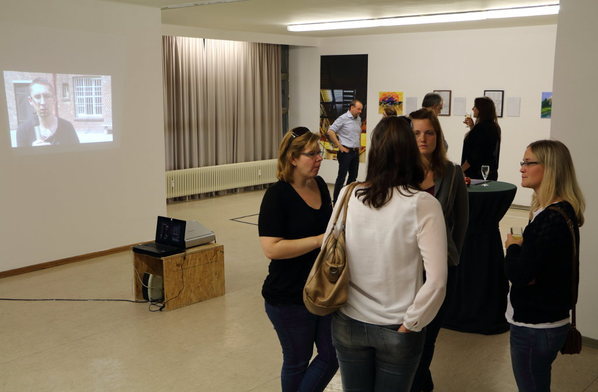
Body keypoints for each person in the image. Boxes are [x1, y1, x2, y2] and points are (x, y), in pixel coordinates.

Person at [330, 116, 448, 392]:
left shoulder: (349, 194)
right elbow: (438, 280)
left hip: (349, 321)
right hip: (397, 327)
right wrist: (412, 323)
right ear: (410, 152)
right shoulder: (423, 204)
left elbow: (329, 249)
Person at [258, 126, 338, 392]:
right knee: (297, 361)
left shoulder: (320, 187)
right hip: (288, 296)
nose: (319, 158)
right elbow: (272, 248)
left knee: (331, 355)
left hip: (321, 291)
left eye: (320, 152)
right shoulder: (277, 196)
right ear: (292, 158)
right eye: (312, 154)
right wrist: (318, 240)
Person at [504, 140, 585, 392]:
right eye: (522, 162)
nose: (522, 168)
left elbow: (520, 275)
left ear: (550, 168)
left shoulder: (549, 219)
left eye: (528, 163)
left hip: (534, 328)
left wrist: (512, 247)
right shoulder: (564, 211)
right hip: (551, 322)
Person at [409, 108, 469, 392]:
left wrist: (449, 253)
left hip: (440, 267)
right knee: (408, 333)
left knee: (429, 335)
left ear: (437, 136)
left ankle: (420, 381)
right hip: (406, 268)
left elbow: (461, 221)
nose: (423, 139)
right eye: (416, 133)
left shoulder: (453, 172)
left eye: (429, 132)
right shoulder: (399, 172)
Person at [16, 78, 79, 147]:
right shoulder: (22, 131)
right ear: (30, 100)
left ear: (54, 99)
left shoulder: (67, 127)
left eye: (47, 96)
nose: (43, 102)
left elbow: (78, 156)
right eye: (37, 97)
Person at [327, 99, 363, 203]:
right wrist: (339, 146)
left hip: (355, 152)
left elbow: (357, 134)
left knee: (353, 177)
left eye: (361, 109)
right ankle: (337, 201)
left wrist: (359, 145)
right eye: (358, 109)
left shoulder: (358, 119)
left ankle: (347, 198)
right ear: (352, 108)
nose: (360, 111)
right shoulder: (343, 118)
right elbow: (330, 131)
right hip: (345, 153)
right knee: (341, 177)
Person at [461, 96, 501, 180]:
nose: (473, 109)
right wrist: (472, 127)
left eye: (475, 106)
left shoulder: (481, 128)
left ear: (481, 109)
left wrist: (460, 171)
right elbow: (481, 145)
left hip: (476, 175)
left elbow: (474, 156)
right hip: (489, 173)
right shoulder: (494, 126)